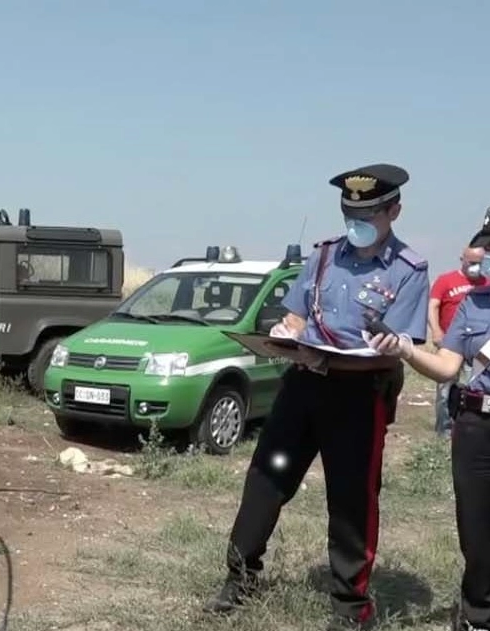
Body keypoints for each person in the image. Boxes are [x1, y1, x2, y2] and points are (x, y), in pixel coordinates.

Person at [203, 163, 430, 630]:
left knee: (351, 498)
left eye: (367, 213)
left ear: (394, 211)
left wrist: (343, 356)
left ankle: (350, 608)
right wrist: (288, 331)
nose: (355, 221)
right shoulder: (324, 256)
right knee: (267, 477)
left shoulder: (409, 271)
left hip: (359, 397)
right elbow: (298, 317)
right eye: (349, 211)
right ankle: (239, 578)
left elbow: (395, 351)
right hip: (303, 387)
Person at [368, 285, 490, 631]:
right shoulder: (475, 304)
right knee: (477, 530)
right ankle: (477, 616)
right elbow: (447, 367)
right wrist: (406, 349)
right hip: (477, 427)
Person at [429, 246, 487, 436]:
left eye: (479, 263)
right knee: (446, 386)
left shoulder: (485, 283)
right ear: (462, 259)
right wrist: (436, 331)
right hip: (450, 343)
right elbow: (433, 306)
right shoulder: (446, 280)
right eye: (471, 262)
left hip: (476, 347)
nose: (475, 267)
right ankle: (444, 430)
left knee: (475, 386)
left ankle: (466, 426)